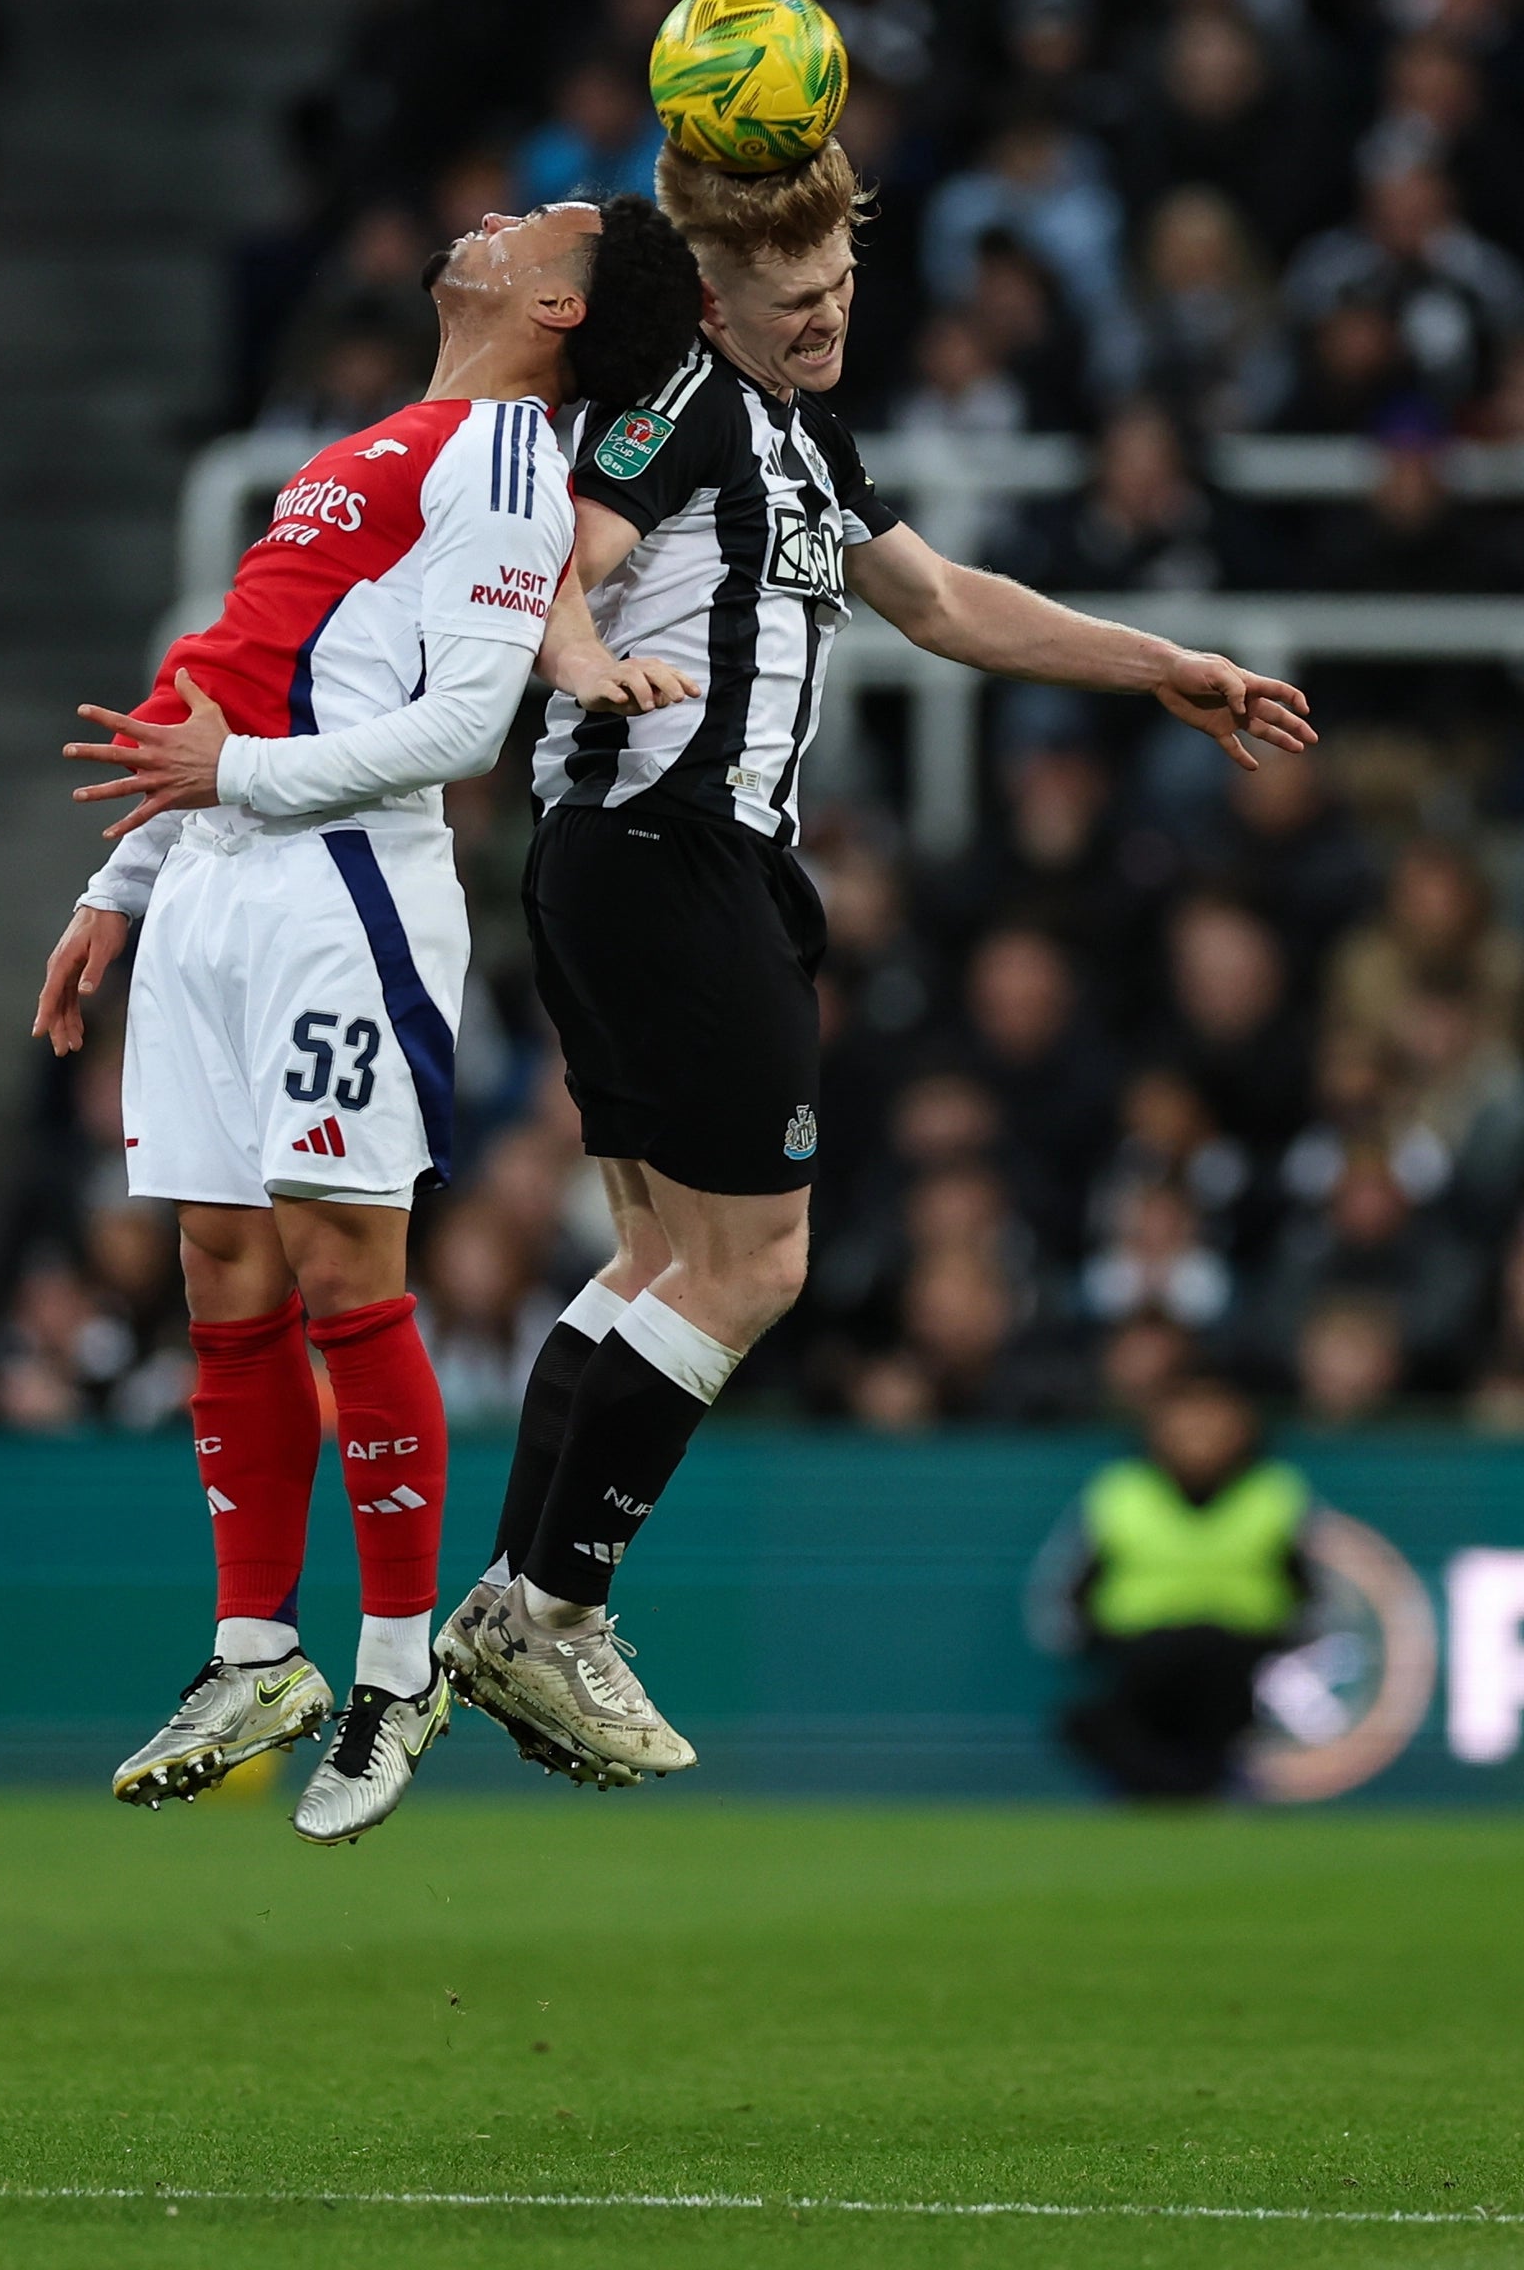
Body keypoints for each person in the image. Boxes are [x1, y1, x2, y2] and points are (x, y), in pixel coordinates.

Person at [442, 124, 1318, 1792]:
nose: (829, 310)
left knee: (651, 1265)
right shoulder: (683, 404)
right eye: (794, 290)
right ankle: (551, 1604)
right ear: (714, 292)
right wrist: (574, 654)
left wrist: (1155, 667)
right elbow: (563, 545)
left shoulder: (798, 436)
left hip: (659, 867)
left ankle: (514, 1595)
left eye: (841, 281)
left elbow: (943, 603)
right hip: (663, 851)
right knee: (757, 1268)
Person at [30, 194, 702, 1845]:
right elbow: (235, 692)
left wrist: (228, 784)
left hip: (338, 886)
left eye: (540, 221)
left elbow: (465, 722)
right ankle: (256, 1652)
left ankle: (397, 1666)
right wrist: (118, 891)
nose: (497, 213)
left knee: (342, 1260)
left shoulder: (497, 464)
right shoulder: (382, 440)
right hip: (213, 885)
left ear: (557, 303)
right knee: (220, 1264)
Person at [1029, 1376, 1314, 1800]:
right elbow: (1065, 1596)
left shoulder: (1275, 1493)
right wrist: (1095, 1645)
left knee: (1212, 1663)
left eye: (1212, 1423)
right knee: (1093, 1717)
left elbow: (1313, 1595)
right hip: (1140, 1663)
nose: (1198, 1438)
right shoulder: (1120, 1492)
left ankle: (1191, 1784)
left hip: (1239, 1664)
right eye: (1185, 1423)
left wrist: (1285, 1647)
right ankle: (1184, 1787)